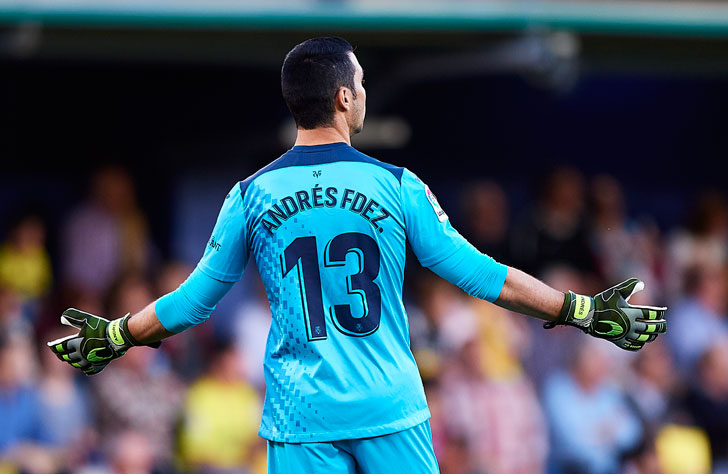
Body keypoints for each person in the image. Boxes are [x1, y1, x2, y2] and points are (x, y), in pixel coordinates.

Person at [46, 37, 667, 474]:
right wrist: (584, 310)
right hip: (391, 407)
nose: (364, 94)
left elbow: (191, 303)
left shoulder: (250, 195)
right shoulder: (398, 185)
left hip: (301, 416)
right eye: (362, 83)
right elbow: (485, 278)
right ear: (344, 98)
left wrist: (117, 335)